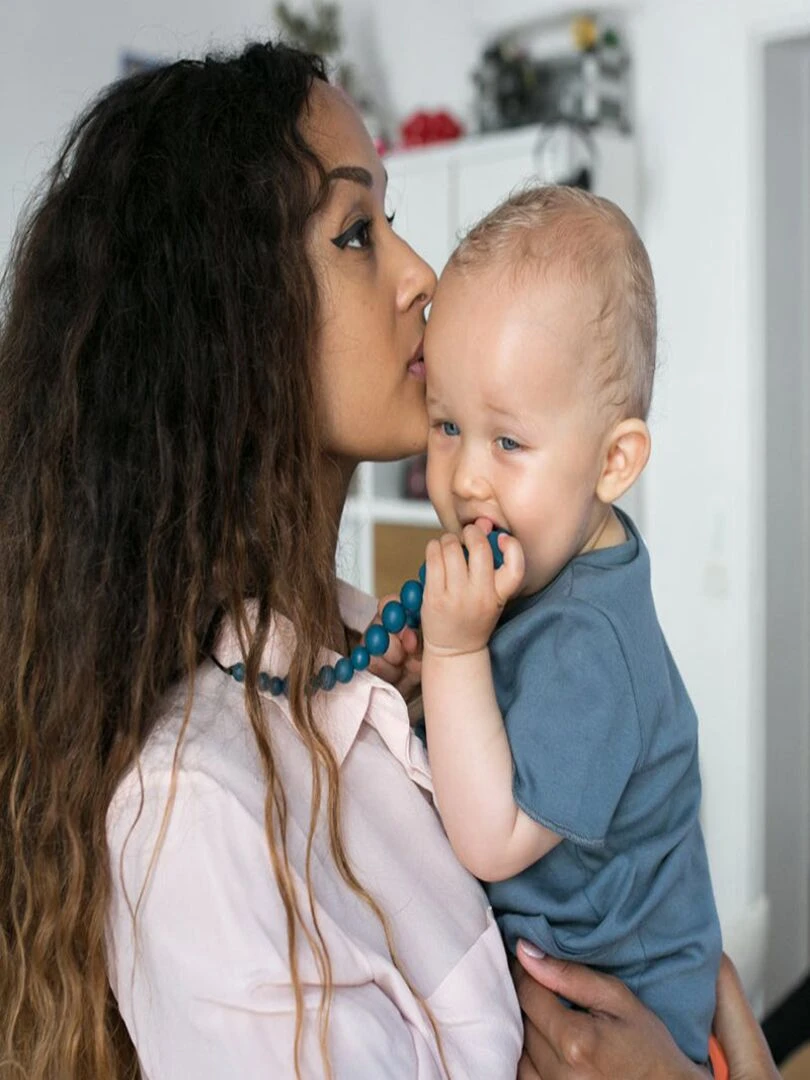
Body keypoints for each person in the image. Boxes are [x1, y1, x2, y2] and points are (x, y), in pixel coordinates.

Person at [0, 37, 775, 1080]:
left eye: (396, 221)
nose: (424, 278)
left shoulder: (377, 642)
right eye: (359, 232)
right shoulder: (196, 809)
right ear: (229, 321)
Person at [416, 186, 722, 1064]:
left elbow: (489, 836)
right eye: (446, 425)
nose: (466, 476)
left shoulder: (593, 639)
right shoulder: (548, 563)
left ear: (613, 461)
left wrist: (452, 649)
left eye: (508, 442)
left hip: (625, 1033)